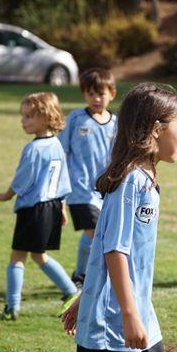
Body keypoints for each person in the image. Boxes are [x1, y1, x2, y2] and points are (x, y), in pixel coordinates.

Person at [61, 82, 177, 352]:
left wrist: (86, 295)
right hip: (113, 327)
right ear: (156, 129)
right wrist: (129, 315)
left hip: (138, 313)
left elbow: (103, 241)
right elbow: (114, 250)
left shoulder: (143, 178)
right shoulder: (131, 182)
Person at [0, 92, 78, 321]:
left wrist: (6, 195)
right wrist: (62, 206)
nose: (23, 121)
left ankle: (12, 307)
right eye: (23, 116)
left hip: (34, 209)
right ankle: (71, 291)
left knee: (17, 257)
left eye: (29, 116)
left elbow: (22, 181)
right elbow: (63, 179)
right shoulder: (57, 145)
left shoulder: (33, 149)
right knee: (38, 256)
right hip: (51, 206)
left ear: (45, 116)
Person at [58, 68, 117, 288]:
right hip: (79, 190)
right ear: (84, 94)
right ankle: (85, 276)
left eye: (100, 93)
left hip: (104, 190)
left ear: (112, 94)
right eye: (90, 94)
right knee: (95, 233)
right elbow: (61, 151)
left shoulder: (115, 124)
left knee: (98, 234)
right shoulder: (75, 119)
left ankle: (81, 273)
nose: (96, 98)